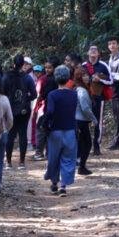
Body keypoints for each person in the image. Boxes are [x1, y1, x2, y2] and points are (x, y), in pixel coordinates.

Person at [44, 65, 78, 196]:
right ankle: (63, 186)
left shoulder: (52, 94)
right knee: (68, 158)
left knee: (54, 157)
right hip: (70, 130)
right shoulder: (74, 94)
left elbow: (50, 111)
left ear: (56, 78)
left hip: (55, 131)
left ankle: (54, 183)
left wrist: (45, 124)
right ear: (68, 78)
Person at [3, 54, 37, 169]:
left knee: (10, 135)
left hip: (10, 109)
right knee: (23, 134)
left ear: (13, 64)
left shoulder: (6, 77)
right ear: (23, 64)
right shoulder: (27, 78)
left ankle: (8, 162)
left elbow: (1, 92)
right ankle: (22, 162)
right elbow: (34, 95)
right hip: (24, 110)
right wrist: (26, 98)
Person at [82, 46, 112, 156]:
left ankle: (96, 146)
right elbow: (77, 81)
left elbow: (111, 81)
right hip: (85, 97)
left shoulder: (103, 66)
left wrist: (100, 80)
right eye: (91, 49)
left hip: (99, 97)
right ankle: (85, 145)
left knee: (97, 121)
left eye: (95, 50)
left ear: (99, 53)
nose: (93, 51)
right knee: (84, 120)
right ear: (88, 53)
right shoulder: (83, 66)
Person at [32, 57, 60, 161]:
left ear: (55, 68)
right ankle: (48, 153)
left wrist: (36, 106)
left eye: (50, 67)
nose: (47, 69)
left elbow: (39, 94)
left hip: (45, 108)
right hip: (49, 107)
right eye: (46, 67)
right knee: (47, 130)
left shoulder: (46, 79)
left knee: (41, 129)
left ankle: (40, 153)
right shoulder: (54, 78)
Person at [73, 66, 98, 175]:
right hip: (80, 121)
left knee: (82, 143)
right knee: (87, 144)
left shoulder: (79, 89)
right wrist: (94, 119)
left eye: (87, 75)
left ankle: (80, 165)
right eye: (83, 75)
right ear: (79, 77)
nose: (86, 77)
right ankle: (81, 167)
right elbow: (85, 108)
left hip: (79, 121)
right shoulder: (82, 91)